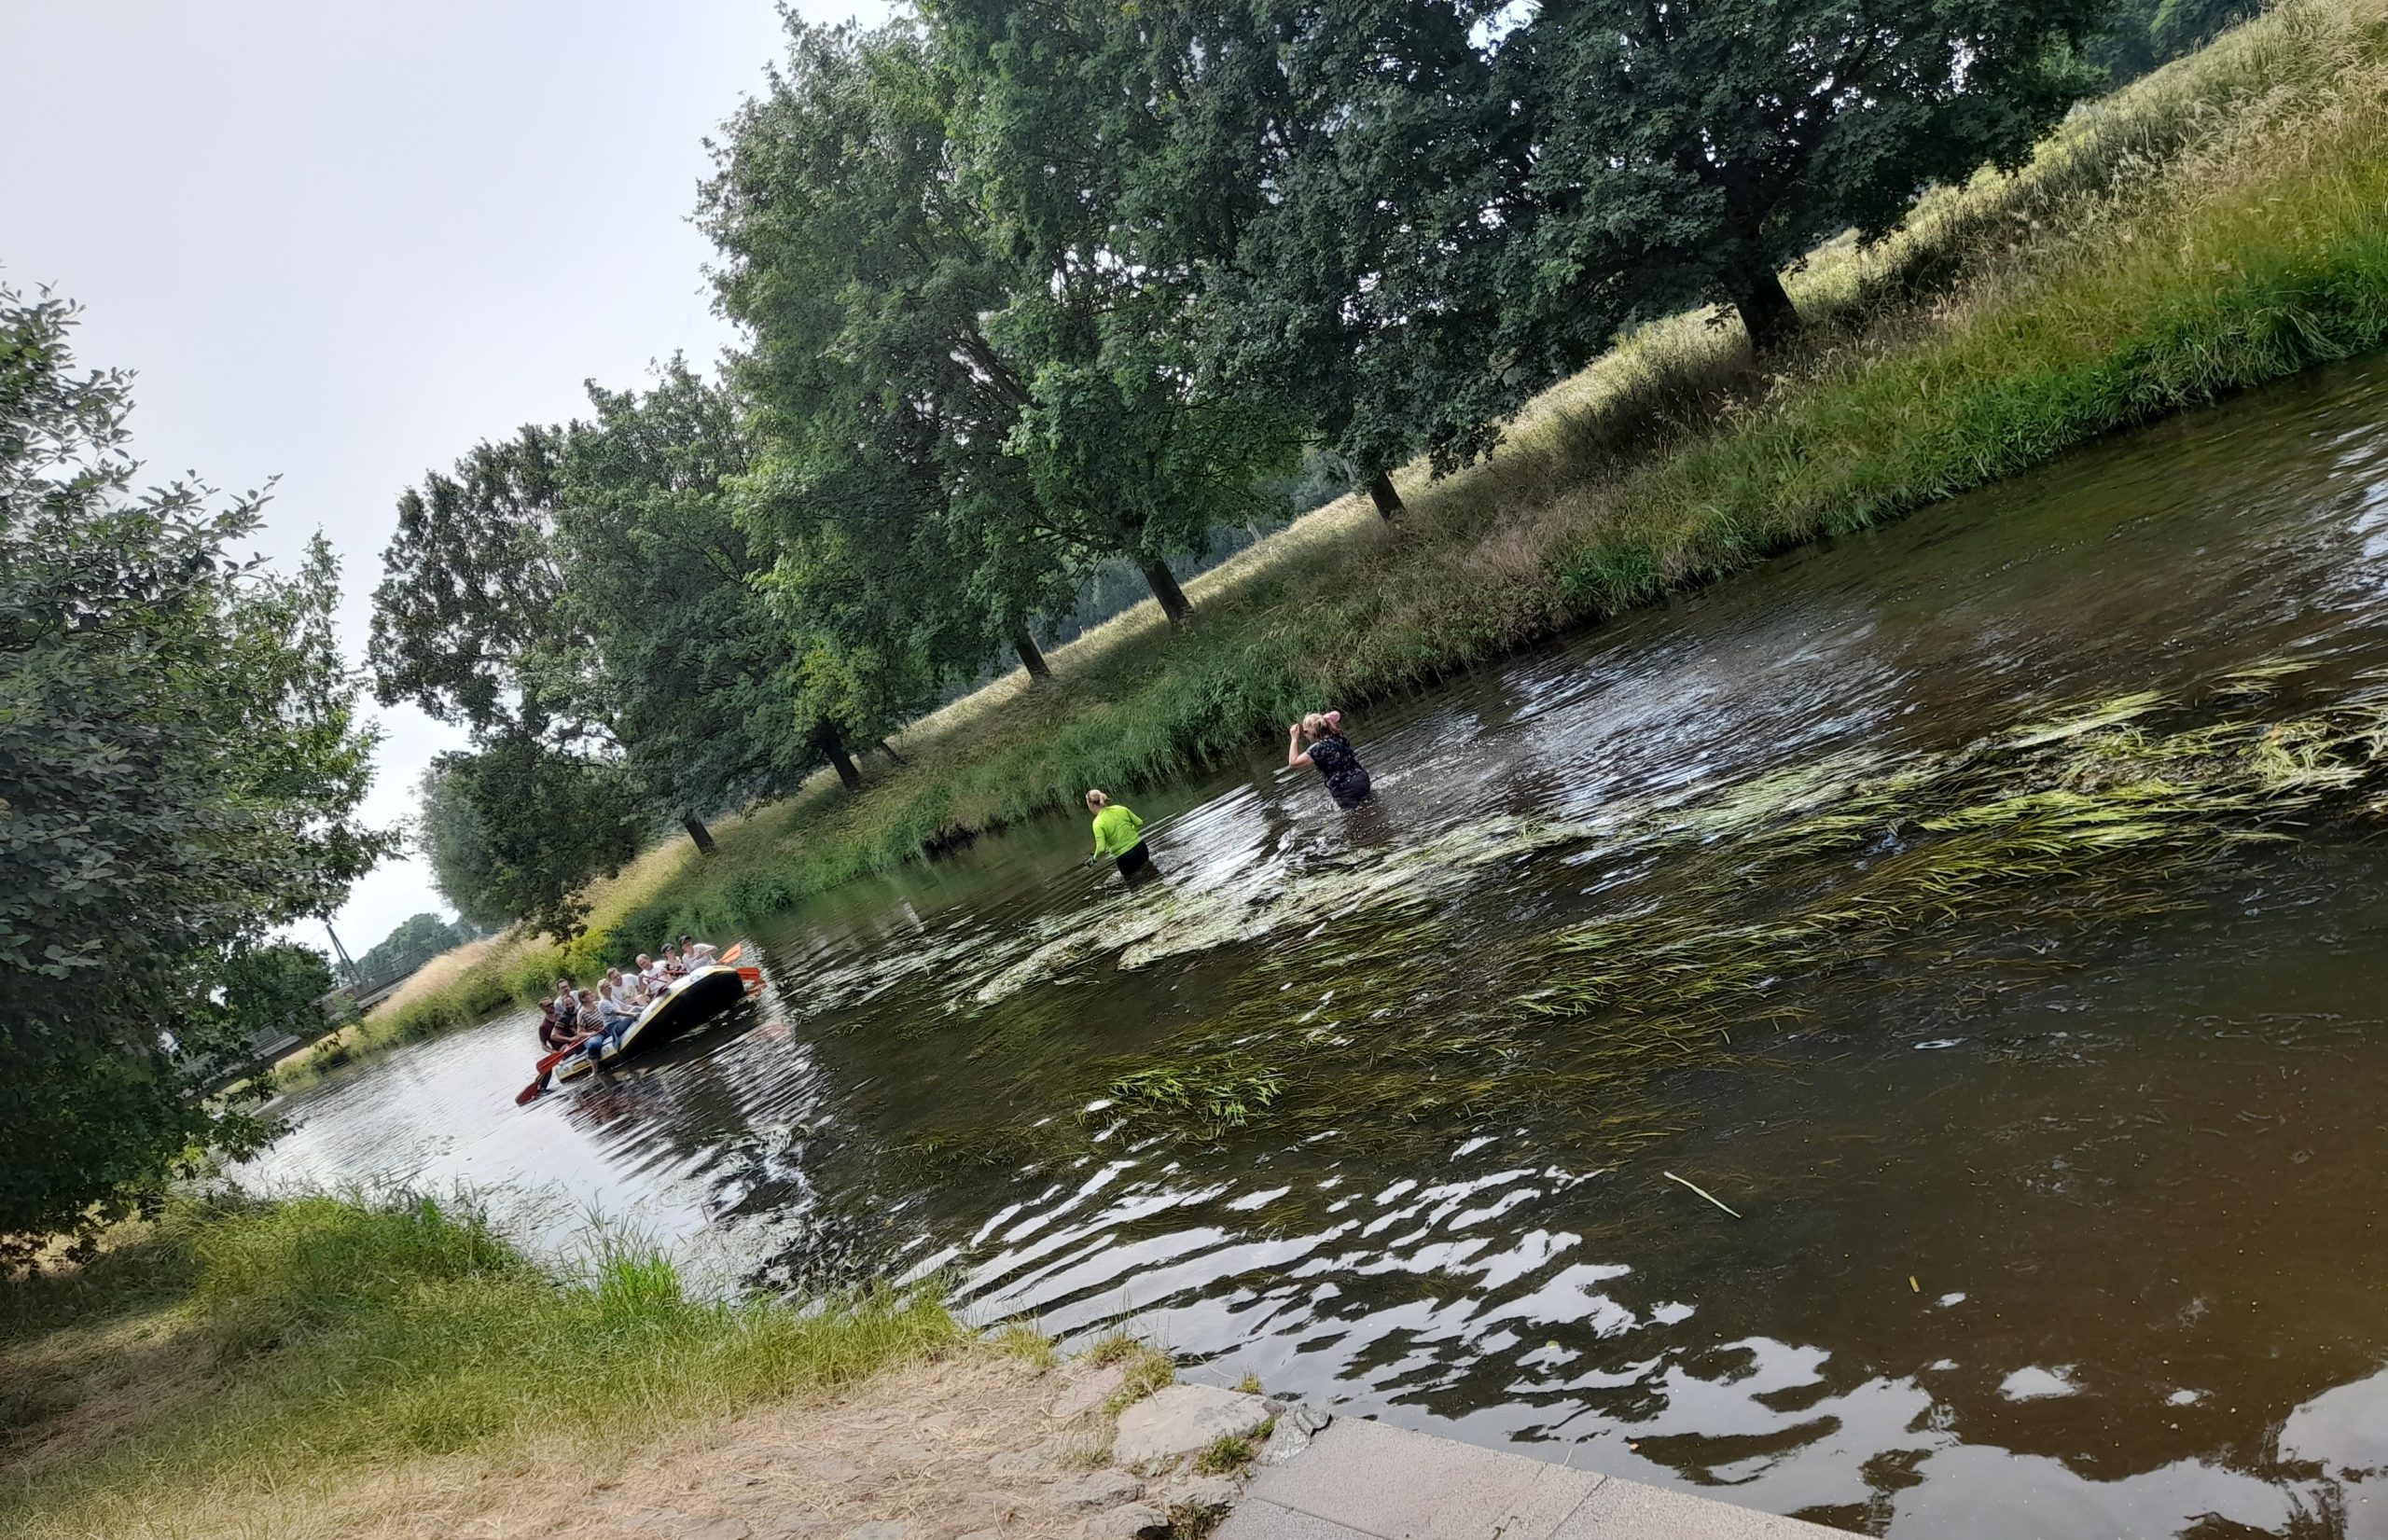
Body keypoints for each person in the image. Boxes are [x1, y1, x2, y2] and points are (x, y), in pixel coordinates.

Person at [1288, 710, 1372, 810]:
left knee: (1355, 820)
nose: (1305, 735)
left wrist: (1294, 739)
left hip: (1345, 788)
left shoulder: (1317, 749)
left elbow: (1293, 763)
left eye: (1305, 732)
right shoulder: (1340, 737)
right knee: (1371, 805)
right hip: (1362, 778)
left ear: (1312, 731)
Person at [1086, 788, 1155, 880]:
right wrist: (1130, 833)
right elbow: (1139, 823)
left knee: (1137, 886)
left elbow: (1101, 848)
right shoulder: (1120, 808)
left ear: (1091, 804)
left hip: (1125, 857)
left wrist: (1093, 859)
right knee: (1153, 874)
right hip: (1141, 848)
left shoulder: (1097, 822)